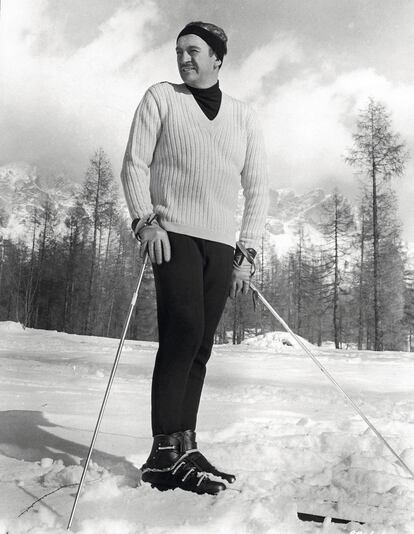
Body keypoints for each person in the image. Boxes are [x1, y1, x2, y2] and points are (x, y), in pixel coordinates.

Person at [121, 21, 268, 496]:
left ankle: (184, 444)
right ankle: (163, 454)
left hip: (221, 245)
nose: (184, 58)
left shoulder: (244, 116)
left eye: (194, 50)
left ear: (218, 59)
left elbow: (258, 187)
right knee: (182, 330)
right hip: (173, 235)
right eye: (179, 50)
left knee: (201, 345)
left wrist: (247, 251)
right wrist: (145, 220)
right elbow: (134, 164)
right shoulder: (162, 98)